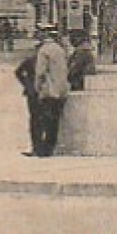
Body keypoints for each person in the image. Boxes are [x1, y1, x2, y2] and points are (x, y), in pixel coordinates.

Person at [30, 24, 70, 157]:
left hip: (48, 91)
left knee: (42, 121)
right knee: (54, 122)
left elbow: (40, 72)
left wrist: (37, 88)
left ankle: (41, 150)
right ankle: (49, 149)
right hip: (61, 91)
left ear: (44, 35)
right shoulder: (60, 50)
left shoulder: (44, 51)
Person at [14, 50, 42, 155]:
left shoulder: (31, 60)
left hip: (33, 92)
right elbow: (18, 72)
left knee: (35, 120)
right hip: (36, 92)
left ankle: (36, 147)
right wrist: (27, 84)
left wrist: (26, 84)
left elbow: (18, 72)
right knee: (37, 119)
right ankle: (37, 147)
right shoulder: (33, 60)